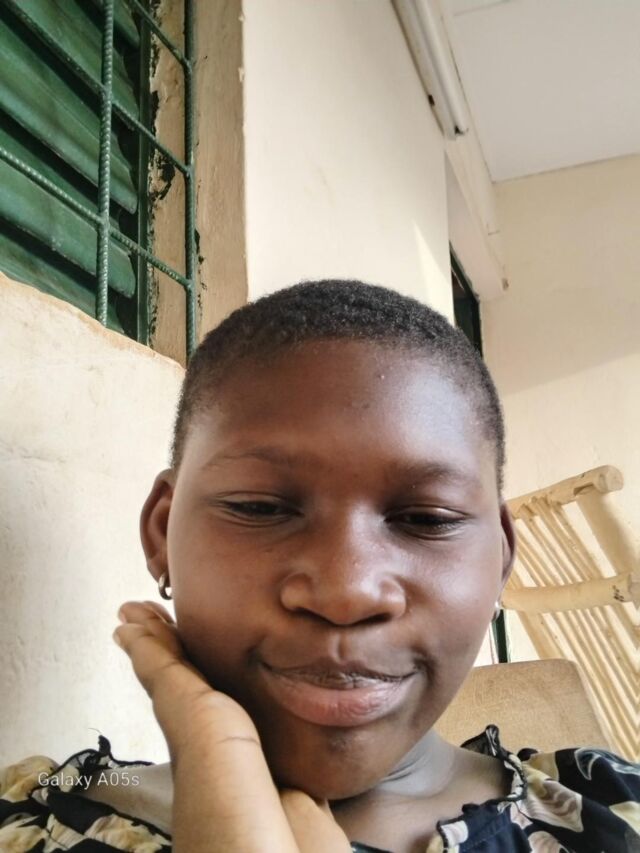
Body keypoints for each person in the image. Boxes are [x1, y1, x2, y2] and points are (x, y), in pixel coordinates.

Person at [1, 280, 638, 852]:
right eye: (259, 507)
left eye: (427, 518)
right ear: (163, 533)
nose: (345, 592)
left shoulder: (612, 811)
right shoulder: (33, 825)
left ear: (500, 558)